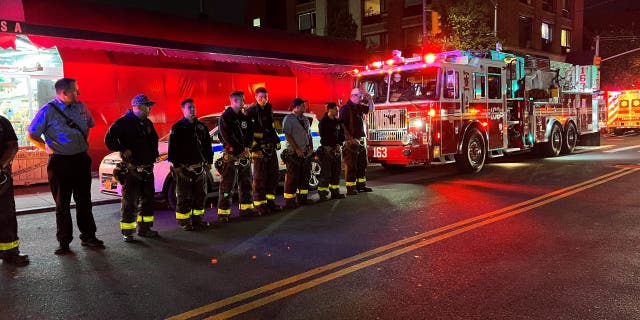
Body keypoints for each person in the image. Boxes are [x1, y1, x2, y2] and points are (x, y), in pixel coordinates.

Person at [27, 78, 104, 255]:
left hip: (80, 159)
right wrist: (46, 147)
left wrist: (81, 144)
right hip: (60, 162)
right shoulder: (48, 110)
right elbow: (32, 134)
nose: (79, 93)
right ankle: (64, 242)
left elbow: (89, 126)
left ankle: (88, 236)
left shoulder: (81, 107)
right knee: (62, 204)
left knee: (84, 200)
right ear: (64, 93)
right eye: (76, 90)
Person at [104, 94, 160, 242]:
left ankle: (145, 228)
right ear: (140, 106)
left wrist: (154, 154)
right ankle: (128, 232)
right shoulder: (122, 123)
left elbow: (154, 140)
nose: (150, 109)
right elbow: (108, 140)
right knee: (130, 201)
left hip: (147, 169)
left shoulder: (147, 123)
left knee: (148, 200)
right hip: (132, 170)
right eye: (148, 106)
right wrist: (123, 149)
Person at [168, 98, 213, 231]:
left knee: (200, 195)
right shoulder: (177, 128)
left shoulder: (201, 127)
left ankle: (198, 220)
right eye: (189, 107)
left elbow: (207, 146)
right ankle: (184, 222)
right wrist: (175, 165)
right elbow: (172, 148)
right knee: (184, 196)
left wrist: (209, 161)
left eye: (194, 107)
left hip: (199, 167)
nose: (193, 109)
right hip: (184, 169)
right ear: (183, 110)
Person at [217, 91, 254, 222]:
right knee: (227, 186)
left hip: (244, 156)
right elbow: (226, 137)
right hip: (232, 157)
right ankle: (223, 213)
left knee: (246, 183)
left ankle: (246, 208)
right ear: (233, 101)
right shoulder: (225, 117)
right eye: (241, 100)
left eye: (243, 100)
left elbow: (250, 133)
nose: (243, 102)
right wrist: (240, 149)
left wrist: (248, 147)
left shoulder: (244, 117)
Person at [246, 87, 282, 216]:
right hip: (259, 150)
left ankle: (270, 203)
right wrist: (255, 148)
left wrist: (276, 141)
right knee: (259, 178)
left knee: (273, 176)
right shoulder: (250, 111)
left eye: (266, 97)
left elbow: (271, 128)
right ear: (255, 97)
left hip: (270, 147)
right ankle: (260, 205)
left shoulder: (268, 109)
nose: (263, 99)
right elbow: (248, 134)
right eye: (261, 97)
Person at [0, 115, 29, 266]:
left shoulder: (2, 122)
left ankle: (10, 252)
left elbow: (12, 146)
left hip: (0, 180)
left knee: (5, 214)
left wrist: (0, 167)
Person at [340, 87, 374, 195]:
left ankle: (361, 186)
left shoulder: (358, 107)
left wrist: (370, 100)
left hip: (359, 140)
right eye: (359, 97)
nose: (360, 99)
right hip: (351, 142)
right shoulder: (345, 108)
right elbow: (342, 125)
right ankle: (350, 188)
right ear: (353, 96)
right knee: (351, 166)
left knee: (361, 164)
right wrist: (350, 139)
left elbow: (371, 109)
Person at [282, 98, 314, 208]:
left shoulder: (305, 119)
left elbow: (309, 134)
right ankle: (290, 201)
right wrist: (296, 149)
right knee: (292, 177)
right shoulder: (288, 119)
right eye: (302, 105)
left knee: (304, 176)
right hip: (294, 153)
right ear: (296, 107)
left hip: (305, 152)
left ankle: (302, 199)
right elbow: (287, 135)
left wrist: (310, 147)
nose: (305, 107)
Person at [316, 102, 346, 201]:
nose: (337, 111)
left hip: (337, 151)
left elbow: (342, 135)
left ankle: (335, 192)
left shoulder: (337, 122)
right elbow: (324, 136)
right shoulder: (323, 122)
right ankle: (323, 194)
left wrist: (339, 144)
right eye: (336, 109)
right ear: (330, 109)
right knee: (326, 173)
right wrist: (335, 144)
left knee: (336, 173)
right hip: (327, 150)